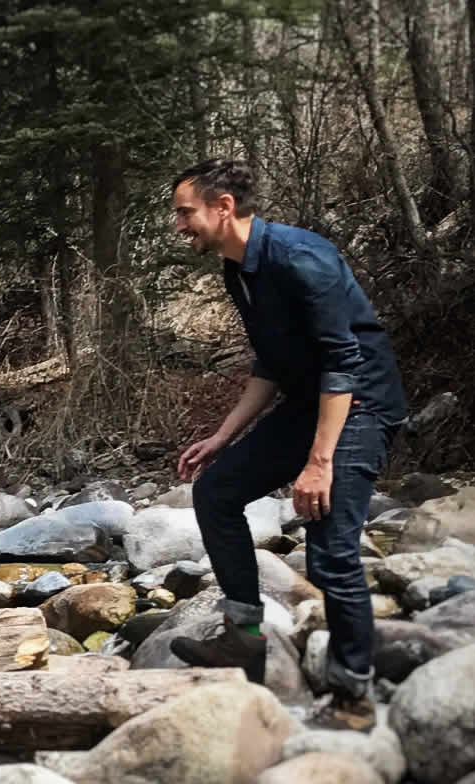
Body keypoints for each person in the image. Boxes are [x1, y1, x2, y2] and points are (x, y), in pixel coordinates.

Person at [168, 158, 406, 731]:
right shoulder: (238, 270)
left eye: (185, 212)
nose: (179, 226)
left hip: (361, 404)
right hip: (307, 402)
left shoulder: (301, 259)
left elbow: (343, 364)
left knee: (330, 549)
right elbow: (271, 365)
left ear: (223, 207)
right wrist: (223, 436)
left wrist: (320, 462)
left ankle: (352, 697)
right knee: (216, 491)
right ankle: (244, 638)